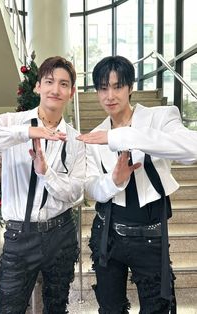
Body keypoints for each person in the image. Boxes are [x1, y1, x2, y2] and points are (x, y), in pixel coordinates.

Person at [0, 56, 85, 314]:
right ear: (38, 86)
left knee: (57, 306)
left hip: (61, 234)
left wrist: (46, 173)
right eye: (49, 81)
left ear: (71, 92)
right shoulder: (11, 124)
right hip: (20, 236)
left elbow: (75, 194)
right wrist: (23, 133)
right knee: (8, 307)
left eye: (63, 84)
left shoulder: (74, 139)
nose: (55, 89)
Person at [76, 55, 197, 314]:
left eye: (117, 86)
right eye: (102, 88)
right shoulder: (96, 135)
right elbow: (91, 187)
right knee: (110, 308)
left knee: (158, 307)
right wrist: (114, 181)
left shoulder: (160, 117)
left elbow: (191, 149)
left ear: (130, 87)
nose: (110, 95)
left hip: (150, 235)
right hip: (106, 233)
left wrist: (121, 136)